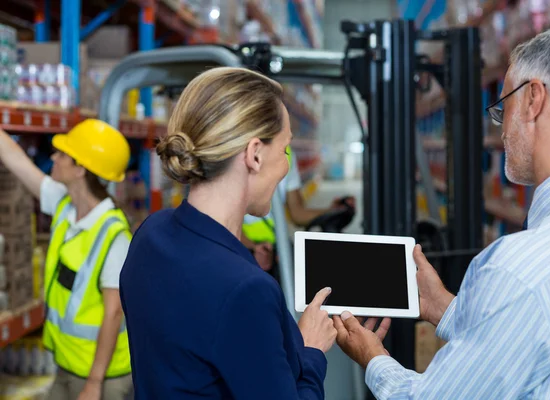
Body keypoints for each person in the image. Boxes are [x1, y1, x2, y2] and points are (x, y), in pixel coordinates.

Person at [333, 28, 550, 399]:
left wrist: (373, 357)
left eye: (502, 107)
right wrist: (445, 308)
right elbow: (541, 334)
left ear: (533, 99)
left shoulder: (521, 270)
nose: (502, 130)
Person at [119, 67, 337, 399]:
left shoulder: (150, 234)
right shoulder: (246, 290)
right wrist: (310, 352)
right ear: (254, 154)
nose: (286, 165)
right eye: (285, 150)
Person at [0, 120, 133, 400]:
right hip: (66, 362)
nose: (53, 158)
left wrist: (94, 384)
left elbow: (113, 313)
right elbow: (15, 158)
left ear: (80, 168)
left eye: (62, 154)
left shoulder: (114, 237)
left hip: (103, 376)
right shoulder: (63, 204)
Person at [241, 147, 355, 272]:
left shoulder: (288, 154)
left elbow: (297, 213)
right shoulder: (241, 152)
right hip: (242, 247)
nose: (290, 137)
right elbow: (222, 216)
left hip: (276, 245)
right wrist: (252, 248)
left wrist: (332, 210)